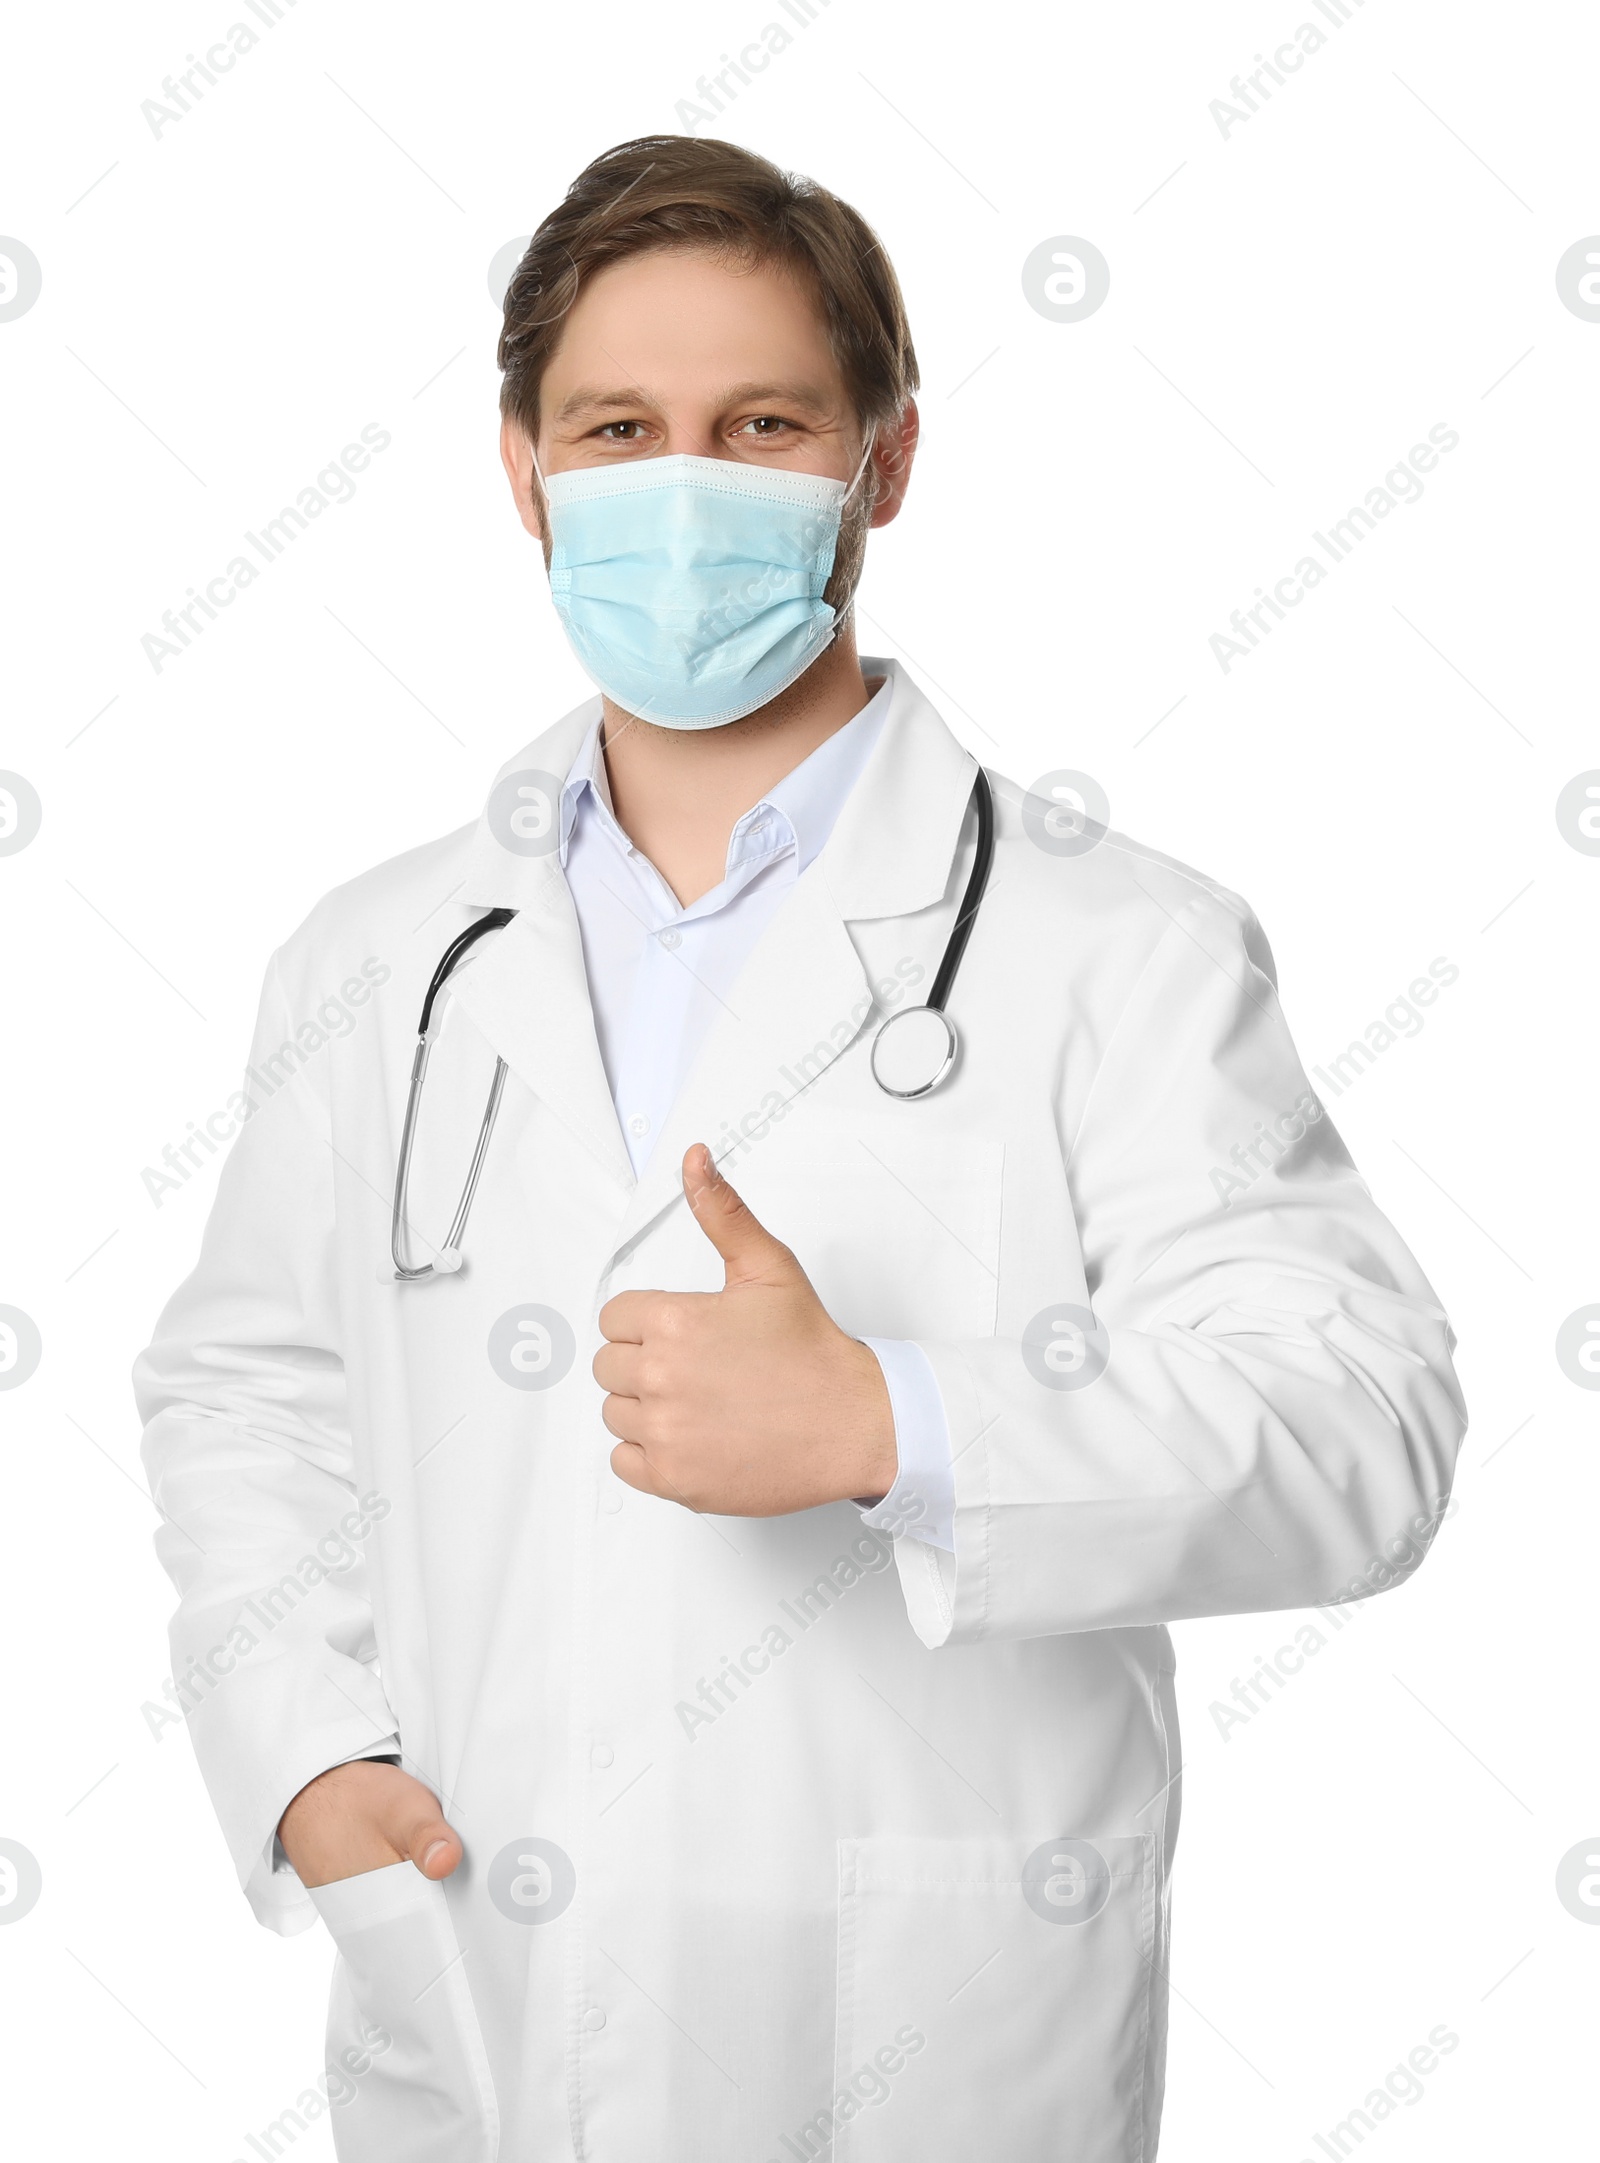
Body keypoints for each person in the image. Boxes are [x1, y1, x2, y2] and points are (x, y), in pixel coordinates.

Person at [135, 135, 1466, 2163]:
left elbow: (1361, 1429)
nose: (682, 484)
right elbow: (249, 1386)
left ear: (884, 461)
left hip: (929, 2040)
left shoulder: (1113, 942)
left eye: (760, 423)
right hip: (473, 1999)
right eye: (616, 427)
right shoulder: (381, 955)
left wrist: (893, 1420)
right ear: (523, 471)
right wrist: (310, 1757)